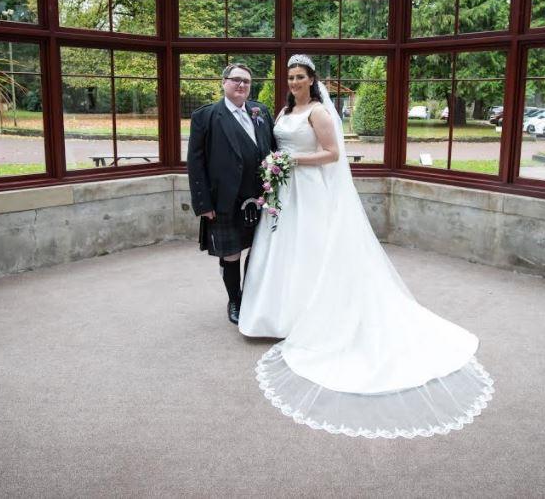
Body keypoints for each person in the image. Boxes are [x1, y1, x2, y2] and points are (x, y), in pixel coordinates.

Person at [238, 55, 494, 439]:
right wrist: (279, 165)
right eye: (290, 77)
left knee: (311, 252)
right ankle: (278, 314)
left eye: (300, 77)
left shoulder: (320, 112)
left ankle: (309, 317)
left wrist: (292, 159)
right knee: (283, 251)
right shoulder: (284, 110)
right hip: (286, 193)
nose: (294, 82)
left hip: (309, 191)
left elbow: (333, 154)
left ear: (312, 79)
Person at [187, 63, 276, 325]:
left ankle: (251, 296)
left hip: (261, 197)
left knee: (259, 250)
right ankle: (235, 300)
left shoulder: (261, 111)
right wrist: (203, 203)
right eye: (236, 80)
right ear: (224, 82)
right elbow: (195, 162)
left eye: (246, 81)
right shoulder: (205, 116)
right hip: (225, 199)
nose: (241, 85)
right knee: (231, 253)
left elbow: (272, 150)